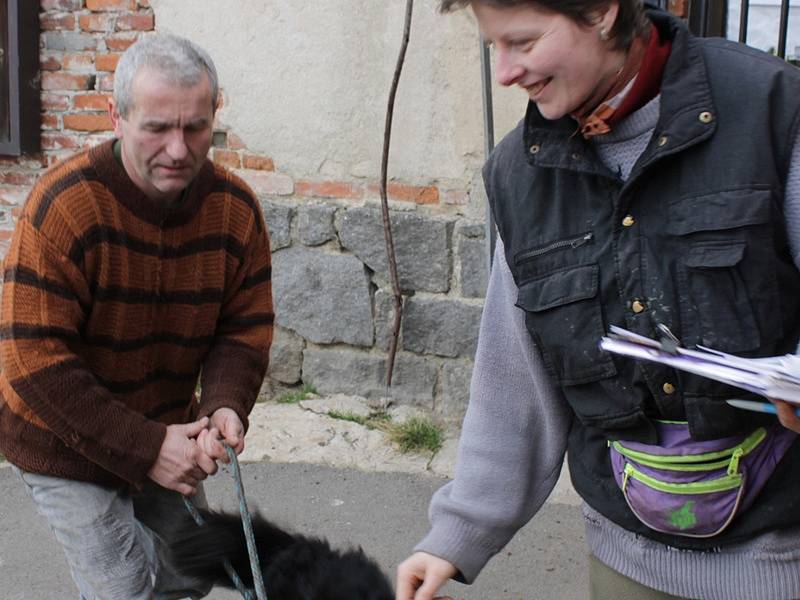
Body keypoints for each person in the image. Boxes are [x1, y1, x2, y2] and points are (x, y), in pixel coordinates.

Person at [396, 1, 800, 599]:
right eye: (493, 49)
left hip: (781, 558)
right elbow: (514, 382)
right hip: (627, 563)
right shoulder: (518, 176)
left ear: (603, 12)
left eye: (524, 42)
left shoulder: (772, 109)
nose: (505, 72)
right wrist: (456, 534)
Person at [0, 34, 273, 599]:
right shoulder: (64, 206)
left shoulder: (235, 210)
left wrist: (225, 405)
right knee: (124, 585)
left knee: (193, 570)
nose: (178, 149)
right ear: (116, 117)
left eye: (195, 126)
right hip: (61, 437)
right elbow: (36, 365)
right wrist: (149, 448)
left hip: (165, 423)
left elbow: (242, 329)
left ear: (214, 113)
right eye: (157, 127)